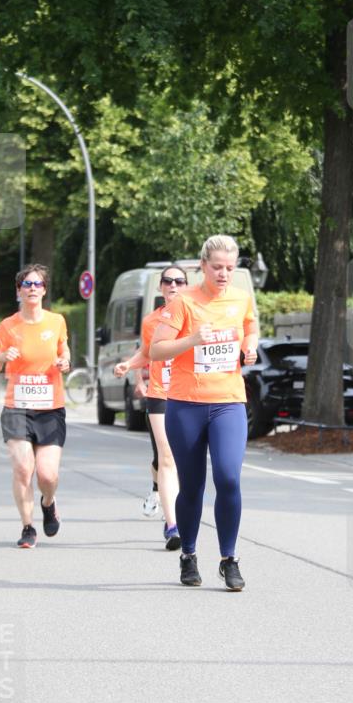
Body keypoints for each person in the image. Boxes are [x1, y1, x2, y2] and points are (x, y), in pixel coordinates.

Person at [150, 235, 258, 591]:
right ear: (202, 266)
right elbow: (157, 350)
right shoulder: (182, 303)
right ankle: (189, 555)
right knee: (192, 485)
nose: (224, 273)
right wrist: (193, 340)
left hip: (228, 402)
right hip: (186, 406)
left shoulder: (241, 300)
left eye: (230, 267)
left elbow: (251, 327)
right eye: (217, 267)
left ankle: (229, 559)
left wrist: (250, 346)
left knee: (228, 478)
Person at [0, 264, 70, 549]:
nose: (32, 289)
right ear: (19, 290)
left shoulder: (56, 321)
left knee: (47, 475)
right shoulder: (7, 325)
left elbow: (65, 352)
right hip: (17, 407)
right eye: (27, 284)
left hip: (50, 407)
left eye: (37, 284)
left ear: (44, 290)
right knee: (23, 469)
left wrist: (65, 362)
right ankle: (27, 526)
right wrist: (3, 355)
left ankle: (48, 502)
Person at [114, 265, 188, 551]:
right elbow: (146, 353)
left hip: (190, 394)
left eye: (179, 281)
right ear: (160, 287)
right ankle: (173, 526)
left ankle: (163, 494)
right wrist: (129, 366)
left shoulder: (196, 315)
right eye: (168, 281)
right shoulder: (151, 321)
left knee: (183, 460)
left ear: (186, 285)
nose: (173, 285)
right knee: (166, 456)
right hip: (160, 393)